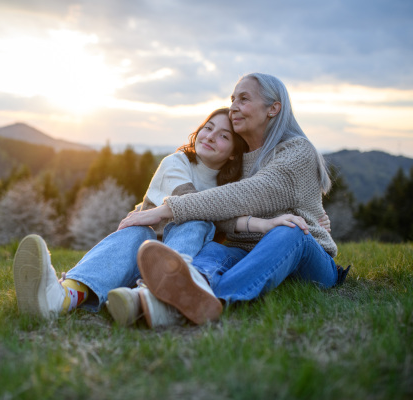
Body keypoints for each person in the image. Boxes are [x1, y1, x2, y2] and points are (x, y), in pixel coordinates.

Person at [12, 107, 326, 327]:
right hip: (144, 245)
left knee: (199, 220)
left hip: (182, 258)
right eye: (208, 128)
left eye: (222, 136)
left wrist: (267, 223)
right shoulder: (177, 162)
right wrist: (251, 221)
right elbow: (190, 204)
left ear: (233, 153)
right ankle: (62, 297)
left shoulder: (228, 186)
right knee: (180, 221)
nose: (210, 136)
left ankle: (149, 296)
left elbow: (227, 220)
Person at [118, 72, 348, 326]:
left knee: (289, 230)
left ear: (273, 108)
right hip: (248, 252)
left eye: (244, 99)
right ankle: (171, 295)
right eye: (232, 99)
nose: (234, 107)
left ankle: (209, 300)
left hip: (305, 258)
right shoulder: (237, 159)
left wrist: (166, 209)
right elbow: (221, 208)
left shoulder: (297, 151)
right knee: (212, 251)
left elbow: (250, 194)